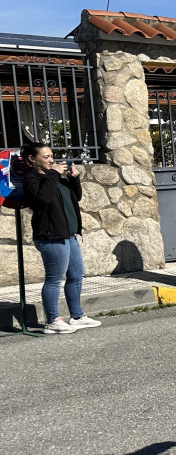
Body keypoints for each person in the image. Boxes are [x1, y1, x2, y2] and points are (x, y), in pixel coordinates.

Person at [22, 142, 99, 334]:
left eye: (51, 156)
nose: (51, 160)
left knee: (76, 276)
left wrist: (73, 179)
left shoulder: (54, 178)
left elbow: (75, 197)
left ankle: (77, 316)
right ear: (32, 159)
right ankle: (52, 321)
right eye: (46, 157)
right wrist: (54, 174)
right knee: (55, 279)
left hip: (68, 235)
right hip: (51, 237)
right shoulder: (32, 178)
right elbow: (43, 199)